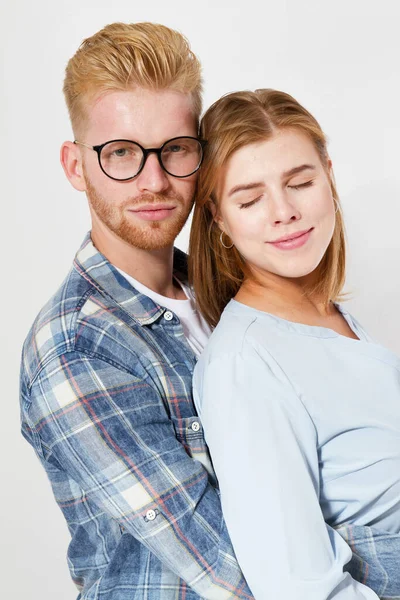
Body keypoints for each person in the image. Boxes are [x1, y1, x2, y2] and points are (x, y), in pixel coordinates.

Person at [19, 23, 254, 599]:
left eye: (175, 149)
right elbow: (231, 571)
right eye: (122, 152)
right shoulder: (76, 346)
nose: (154, 181)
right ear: (76, 166)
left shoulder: (228, 292)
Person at [190, 89, 400, 599]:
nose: (283, 211)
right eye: (250, 198)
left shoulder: (330, 315)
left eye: (301, 182)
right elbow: (299, 588)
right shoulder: (245, 364)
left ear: (329, 173)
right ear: (218, 216)